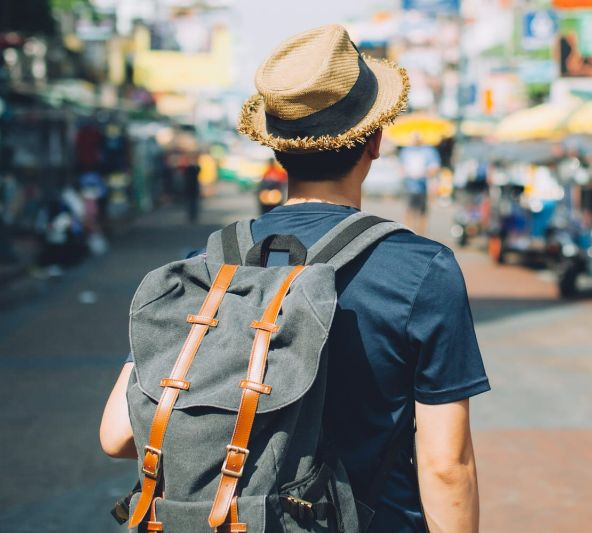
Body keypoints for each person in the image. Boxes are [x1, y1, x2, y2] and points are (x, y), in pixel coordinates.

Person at [100, 24, 488, 533]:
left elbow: (117, 436)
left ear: (277, 149)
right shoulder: (421, 269)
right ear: (374, 140)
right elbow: (445, 464)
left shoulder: (207, 267)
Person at [400, 134, 440, 234]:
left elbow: (435, 167)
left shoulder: (429, 151)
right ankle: (407, 233)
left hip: (423, 185)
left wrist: (424, 173)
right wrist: (407, 173)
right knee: (409, 210)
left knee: (422, 212)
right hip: (409, 185)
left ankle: (422, 234)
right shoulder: (406, 151)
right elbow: (401, 167)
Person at [182, 154, 201, 223]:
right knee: (191, 203)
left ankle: (193, 216)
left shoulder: (192, 168)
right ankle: (191, 216)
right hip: (191, 187)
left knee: (192, 203)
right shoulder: (190, 168)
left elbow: (199, 169)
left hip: (192, 188)